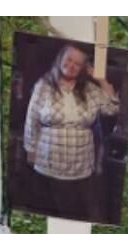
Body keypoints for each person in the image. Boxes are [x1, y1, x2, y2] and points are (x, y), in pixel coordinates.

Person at [22, 43, 120, 222]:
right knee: (50, 209)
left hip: (81, 164)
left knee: (78, 210)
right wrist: (30, 148)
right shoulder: (43, 86)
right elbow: (32, 118)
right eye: (69, 59)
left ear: (83, 68)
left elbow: (112, 108)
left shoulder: (89, 89)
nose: (72, 66)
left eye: (78, 63)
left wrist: (101, 80)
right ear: (60, 59)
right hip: (48, 161)